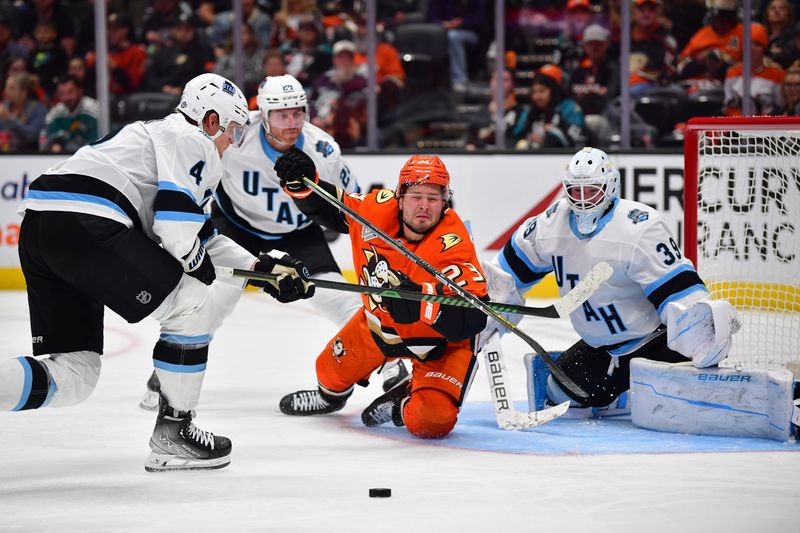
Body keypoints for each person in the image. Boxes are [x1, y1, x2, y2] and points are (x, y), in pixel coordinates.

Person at [0, 73, 314, 472]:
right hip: (88, 223)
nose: (232, 143)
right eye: (232, 131)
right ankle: (174, 433)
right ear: (211, 120)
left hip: (42, 226)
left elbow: (200, 235)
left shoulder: (159, 138)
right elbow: (179, 233)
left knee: (75, 375)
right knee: (193, 304)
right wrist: (201, 271)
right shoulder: (193, 140)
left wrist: (261, 268)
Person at [139, 73, 407, 409]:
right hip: (238, 227)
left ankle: (392, 367)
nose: (292, 122)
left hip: (297, 232)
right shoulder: (237, 134)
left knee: (341, 300)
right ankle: (169, 375)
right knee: (211, 301)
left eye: (298, 112)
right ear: (263, 115)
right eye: (282, 114)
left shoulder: (323, 149)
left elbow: (351, 205)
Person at [482, 147, 740, 414]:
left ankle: (640, 390)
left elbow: (678, 292)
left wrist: (702, 335)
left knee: (675, 404)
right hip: (601, 349)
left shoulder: (639, 227)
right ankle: (623, 396)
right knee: (559, 396)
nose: (583, 200)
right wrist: (489, 311)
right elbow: (507, 274)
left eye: (591, 190)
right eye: (576, 191)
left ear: (610, 186)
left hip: (653, 343)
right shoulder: (550, 225)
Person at [275, 152, 489, 439]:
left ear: (444, 203)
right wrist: (302, 185)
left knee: (432, 420)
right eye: (416, 196)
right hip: (379, 327)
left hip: (438, 344)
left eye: (433, 198)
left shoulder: (454, 244)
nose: (424, 206)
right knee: (326, 373)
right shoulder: (376, 209)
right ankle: (329, 399)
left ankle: (401, 403)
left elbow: (474, 318)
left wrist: (422, 307)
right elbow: (331, 208)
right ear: (399, 197)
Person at [723, 23, 785, 116]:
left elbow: (781, 106)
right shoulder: (732, 72)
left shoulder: (776, 74)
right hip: (737, 124)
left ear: (764, 49)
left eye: (757, 44)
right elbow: (728, 105)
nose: (751, 49)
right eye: (748, 44)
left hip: (766, 124)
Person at [41, 74, 99, 153]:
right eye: (62, 94)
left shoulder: (93, 109)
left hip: (91, 156)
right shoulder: (55, 113)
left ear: (80, 90)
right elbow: (49, 141)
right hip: (64, 158)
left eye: (70, 92)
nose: (66, 97)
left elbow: (97, 143)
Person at [0, 72, 47, 152]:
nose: (6, 92)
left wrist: (9, 118)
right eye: (6, 88)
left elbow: (33, 136)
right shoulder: (4, 107)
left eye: (11, 88)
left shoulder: (38, 109)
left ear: (23, 92)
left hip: (29, 156)